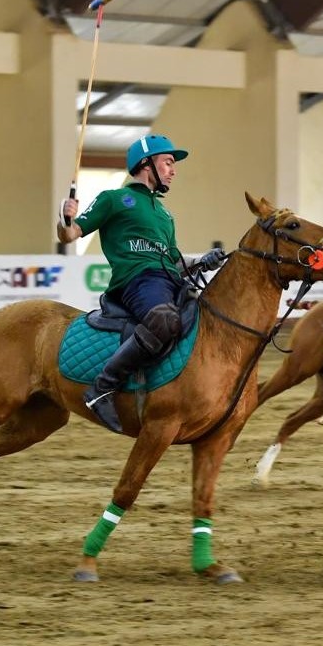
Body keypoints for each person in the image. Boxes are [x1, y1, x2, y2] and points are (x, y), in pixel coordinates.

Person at [58, 134, 224, 433]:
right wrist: (66, 219)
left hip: (168, 281)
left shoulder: (164, 213)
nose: (173, 171)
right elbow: (70, 235)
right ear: (146, 164)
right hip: (136, 281)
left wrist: (203, 261)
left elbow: (174, 261)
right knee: (163, 319)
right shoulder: (113, 198)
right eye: (168, 163)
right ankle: (102, 388)